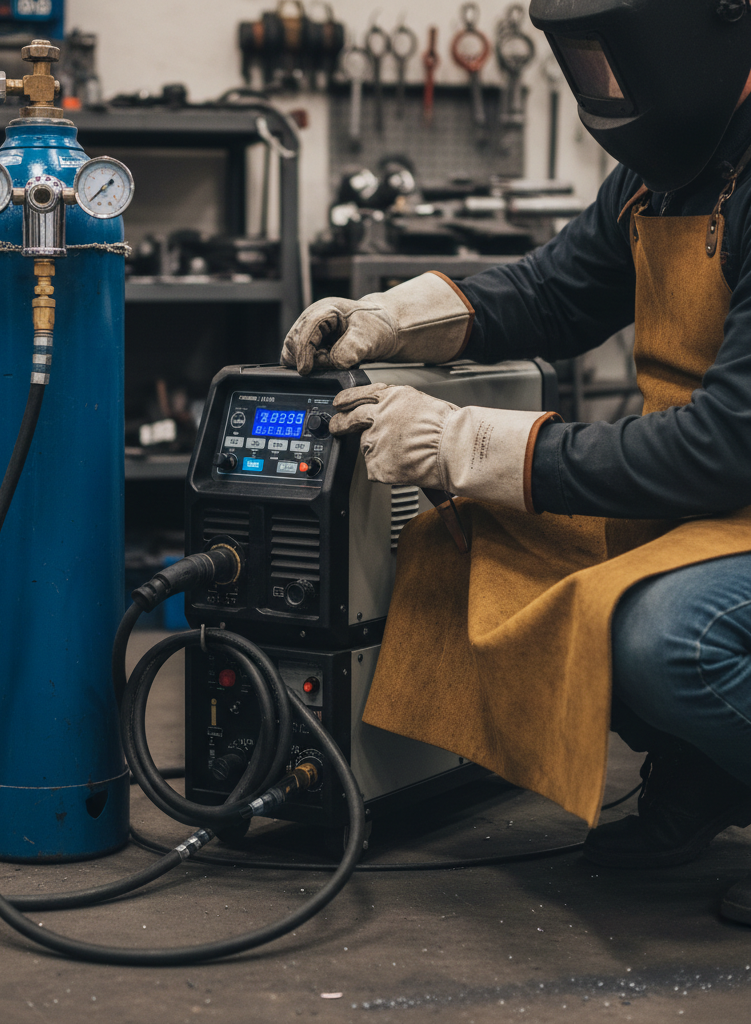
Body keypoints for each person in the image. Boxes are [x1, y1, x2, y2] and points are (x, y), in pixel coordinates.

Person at [281, 0, 751, 925]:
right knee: (477, 552)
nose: (607, 87)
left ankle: (706, 751)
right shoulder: (668, 170)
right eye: (586, 61)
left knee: (670, 638)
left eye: (616, 56)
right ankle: (708, 773)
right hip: (709, 497)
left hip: (725, 475)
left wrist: (467, 442)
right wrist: (392, 318)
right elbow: (555, 290)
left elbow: (727, 441)